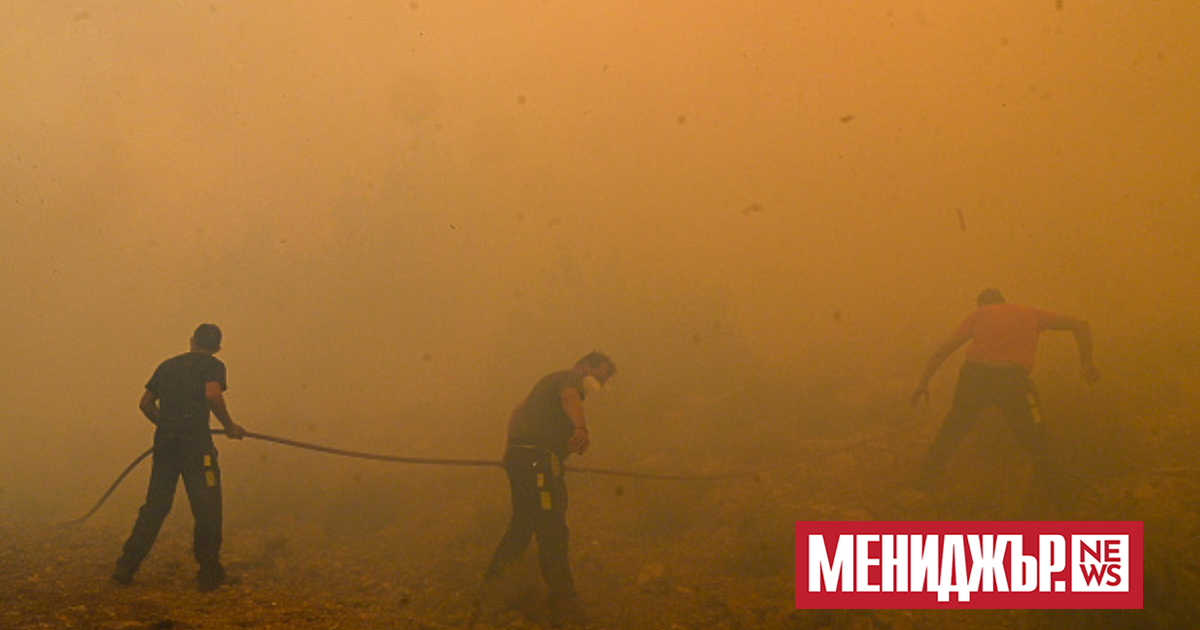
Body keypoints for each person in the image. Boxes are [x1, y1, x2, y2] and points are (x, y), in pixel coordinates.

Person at [477, 352, 617, 628]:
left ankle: (493, 584)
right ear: (585, 367)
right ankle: (564, 600)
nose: (597, 385)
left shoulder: (546, 383)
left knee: (523, 522)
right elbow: (570, 397)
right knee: (551, 525)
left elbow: (517, 412)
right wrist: (581, 428)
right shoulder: (569, 379)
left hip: (522, 459)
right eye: (598, 378)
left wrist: (510, 451)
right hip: (538, 460)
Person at [910, 289, 1100, 492]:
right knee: (1036, 438)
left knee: (952, 430)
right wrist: (1086, 364)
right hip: (1013, 381)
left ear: (982, 304)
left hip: (975, 377)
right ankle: (1059, 497)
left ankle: (923, 484)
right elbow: (1080, 324)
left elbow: (944, 350)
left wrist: (923, 382)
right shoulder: (1030, 313)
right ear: (1003, 301)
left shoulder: (979, 314)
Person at [112, 323, 247, 592]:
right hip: (197, 446)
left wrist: (167, 425)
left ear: (191, 340)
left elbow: (145, 404)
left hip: (165, 444)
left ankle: (124, 569)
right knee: (207, 506)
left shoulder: (167, 366)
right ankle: (209, 575)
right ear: (217, 347)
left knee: (156, 506)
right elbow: (212, 394)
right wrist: (230, 426)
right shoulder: (212, 365)